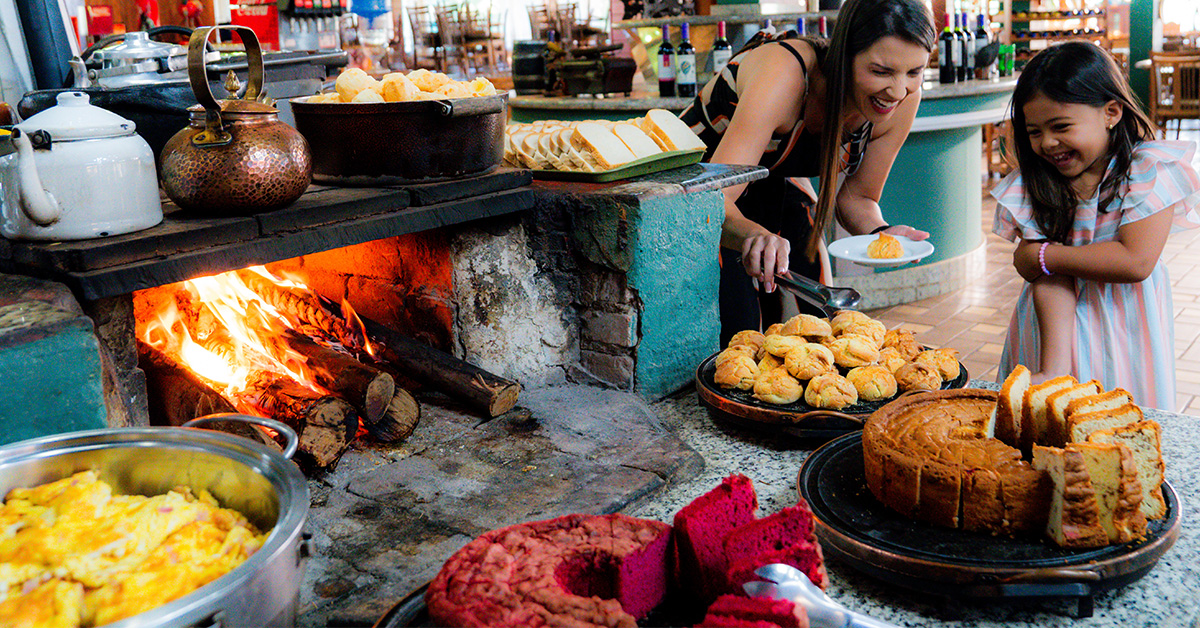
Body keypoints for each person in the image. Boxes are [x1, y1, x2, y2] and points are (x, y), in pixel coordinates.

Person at [679, 0, 935, 344]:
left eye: (914, 72)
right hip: (693, 193)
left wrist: (882, 235)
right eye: (880, 71)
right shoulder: (784, 74)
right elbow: (713, 197)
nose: (898, 90)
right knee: (738, 335)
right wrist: (755, 235)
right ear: (844, 56)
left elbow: (858, 198)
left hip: (774, 187)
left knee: (825, 325)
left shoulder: (903, 98)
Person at [992, 41, 1200, 409]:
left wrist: (1045, 255)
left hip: (1126, 329)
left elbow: (1135, 261)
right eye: (1034, 131)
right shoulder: (1037, 182)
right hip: (1051, 331)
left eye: (1061, 126)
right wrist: (1052, 367)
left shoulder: (1147, 170)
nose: (1048, 143)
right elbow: (1046, 276)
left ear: (1112, 112)